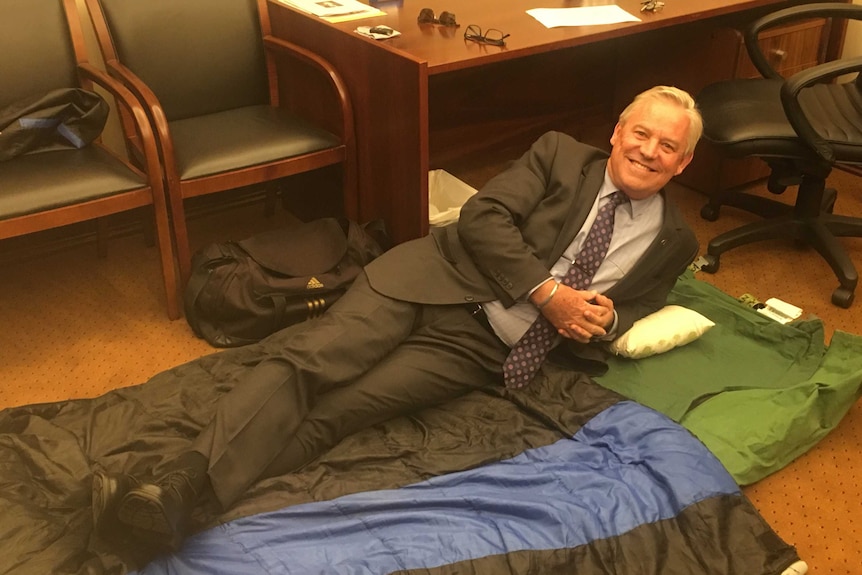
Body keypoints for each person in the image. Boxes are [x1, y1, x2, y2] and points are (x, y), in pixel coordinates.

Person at [92, 85, 703, 551]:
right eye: (640, 133)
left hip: (483, 349)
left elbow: (644, 302)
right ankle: (178, 483)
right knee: (313, 362)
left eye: (667, 146)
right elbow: (483, 218)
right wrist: (549, 293)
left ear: (684, 163)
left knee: (341, 413)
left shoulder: (675, 240)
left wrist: (611, 315)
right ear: (618, 130)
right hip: (429, 281)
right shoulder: (561, 156)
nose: (648, 151)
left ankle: (176, 505)